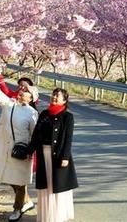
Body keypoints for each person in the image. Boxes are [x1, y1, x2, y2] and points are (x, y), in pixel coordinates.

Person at [0, 62, 39, 222]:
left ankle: (17, 210)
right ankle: (26, 202)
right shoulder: (9, 105)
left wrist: (31, 152)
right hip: (5, 149)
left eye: (25, 91)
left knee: (20, 183)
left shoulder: (33, 114)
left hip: (21, 152)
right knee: (6, 177)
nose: (21, 92)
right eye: (21, 90)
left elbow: (36, 136)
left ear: (32, 98)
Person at [29, 88, 78, 222]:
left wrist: (65, 157)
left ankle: (58, 216)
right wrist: (30, 150)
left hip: (58, 156)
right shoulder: (44, 114)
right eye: (53, 95)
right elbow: (36, 134)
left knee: (57, 185)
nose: (54, 97)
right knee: (46, 185)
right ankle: (46, 216)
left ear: (64, 100)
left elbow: (68, 138)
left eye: (57, 96)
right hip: (43, 154)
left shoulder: (68, 117)